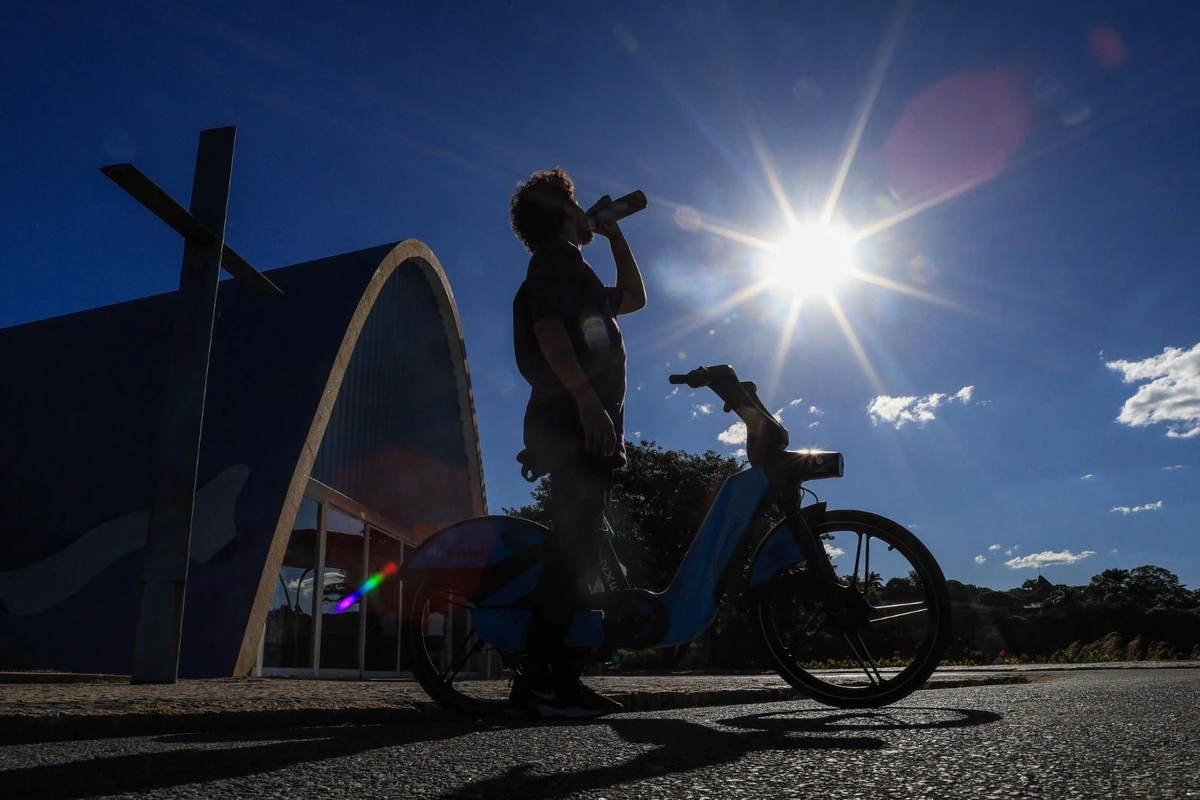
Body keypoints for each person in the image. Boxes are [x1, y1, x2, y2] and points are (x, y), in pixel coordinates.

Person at [508, 168, 647, 718]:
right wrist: (590, 405)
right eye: (574, 203)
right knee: (573, 550)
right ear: (565, 212)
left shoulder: (575, 271)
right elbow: (548, 332)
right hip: (573, 423)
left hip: (583, 422)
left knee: (582, 548)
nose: (581, 209)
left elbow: (634, 298)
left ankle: (562, 679)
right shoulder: (556, 261)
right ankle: (538, 682)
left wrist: (614, 234)